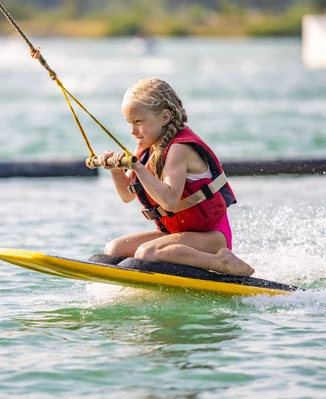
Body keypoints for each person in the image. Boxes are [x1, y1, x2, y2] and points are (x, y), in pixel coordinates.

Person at [97, 78, 254, 276]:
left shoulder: (179, 149)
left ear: (165, 117)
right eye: (129, 123)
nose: (132, 131)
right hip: (179, 233)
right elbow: (127, 195)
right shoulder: (146, 147)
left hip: (212, 237)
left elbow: (170, 201)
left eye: (138, 122)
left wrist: (137, 167)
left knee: (147, 253)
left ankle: (220, 261)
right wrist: (116, 170)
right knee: (113, 250)